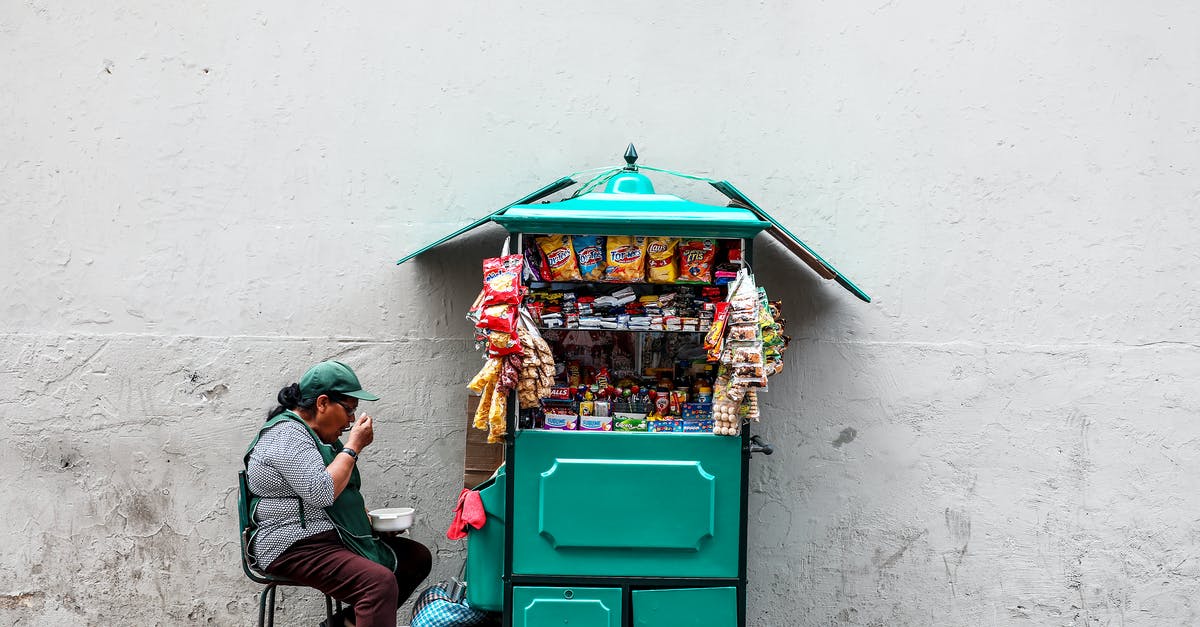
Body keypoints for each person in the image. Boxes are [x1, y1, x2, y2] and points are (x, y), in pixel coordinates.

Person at [243, 360, 431, 627]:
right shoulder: (287, 434)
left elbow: (341, 493)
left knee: (414, 558)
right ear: (322, 403)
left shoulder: (314, 436)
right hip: (292, 544)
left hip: (329, 536)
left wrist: (368, 525)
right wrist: (353, 446)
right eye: (349, 410)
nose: (352, 420)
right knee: (376, 585)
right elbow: (321, 492)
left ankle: (344, 624)